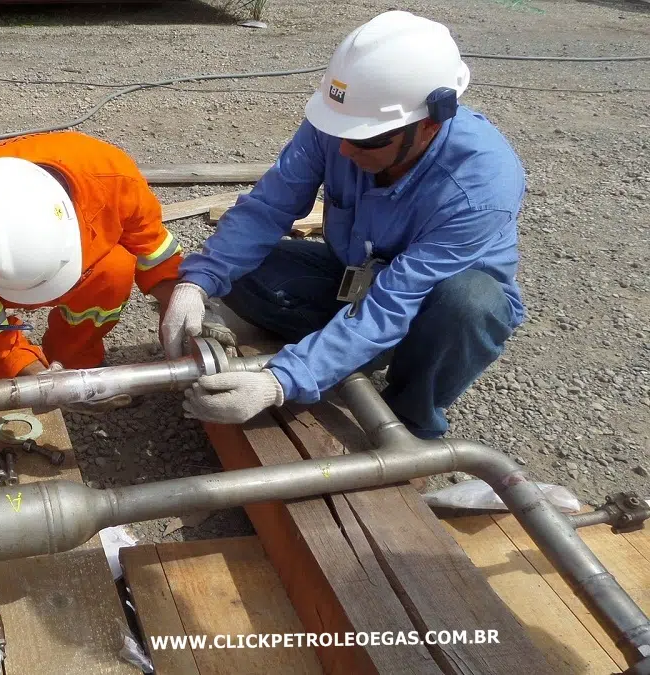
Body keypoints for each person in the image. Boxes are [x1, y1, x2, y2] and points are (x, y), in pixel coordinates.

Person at [160, 10, 525, 438]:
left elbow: (395, 299)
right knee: (243, 269)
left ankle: (409, 419)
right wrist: (198, 281)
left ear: (429, 123)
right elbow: (268, 207)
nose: (346, 151)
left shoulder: (480, 184)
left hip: (431, 303)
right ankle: (350, 349)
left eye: (366, 139)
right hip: (353, 273)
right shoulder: (341, 127)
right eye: (342, 132)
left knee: (470, 304)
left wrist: (279, 382)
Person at [0, 131, 235, 413]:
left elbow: (156, 255)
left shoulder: (112, 178)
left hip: (35, 260)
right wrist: (37, 378)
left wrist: (187, 305)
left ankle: (78, 362)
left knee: (114, 270)